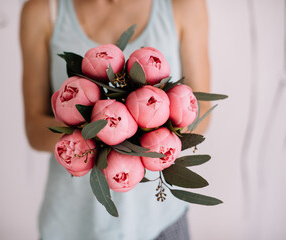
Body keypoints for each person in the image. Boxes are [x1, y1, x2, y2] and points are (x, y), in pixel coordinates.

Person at [20, 0, 210, 239]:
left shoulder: (183, 5)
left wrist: (138, 133)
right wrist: (103, 133)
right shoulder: (43, 11)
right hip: (72, 224)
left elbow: (201, 112)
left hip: (159, 222)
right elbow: (34, 128)